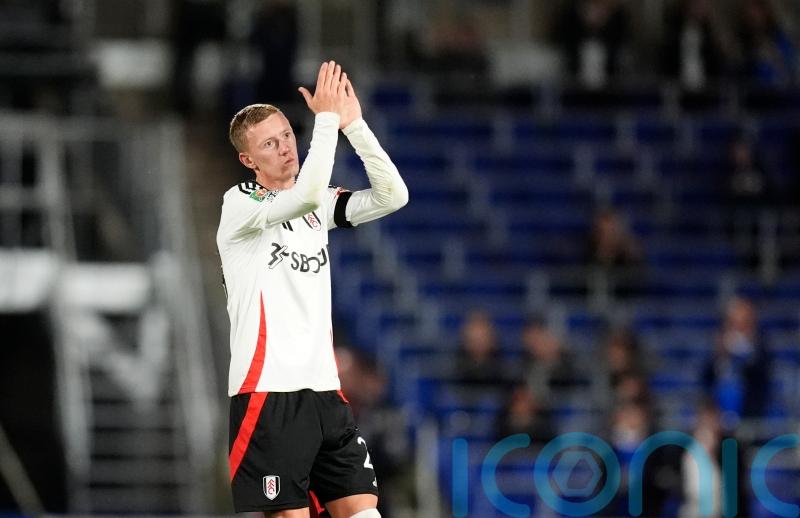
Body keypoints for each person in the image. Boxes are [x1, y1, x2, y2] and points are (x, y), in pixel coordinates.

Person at [217, 61, 408, 518]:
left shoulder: (318, 204)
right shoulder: (239, 206)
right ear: (248, 160)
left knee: (365, 513)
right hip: (268, 394)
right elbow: (301, 196)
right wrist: (324, 121)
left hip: (325, 392)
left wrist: (353, 125)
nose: (285, 148)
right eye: (269, 143)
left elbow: (392, 196)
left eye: (286, 134)